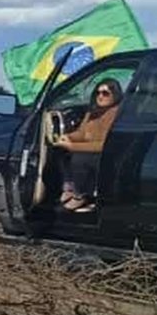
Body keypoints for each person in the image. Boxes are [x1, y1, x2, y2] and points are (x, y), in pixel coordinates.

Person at [55, 78, 122, 214]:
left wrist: (73, 147)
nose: (100, 96)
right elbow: (82, 133)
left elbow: (104, 145)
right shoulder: (92, 112)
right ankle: (69, 187)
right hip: (90, 150)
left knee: (80, 159)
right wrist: (68, 137)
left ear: (115, 95)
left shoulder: (116, 114)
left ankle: (81, 195)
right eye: (98, 93)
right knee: (59, 151)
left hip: (106, 154)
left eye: (105, 93)